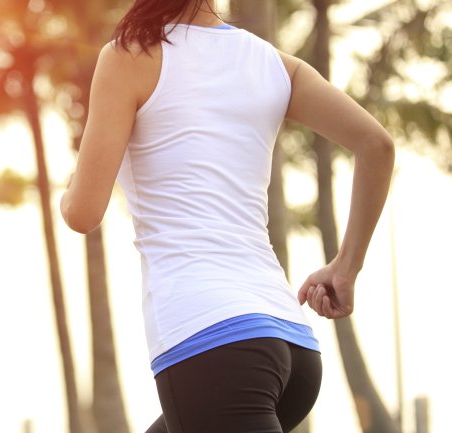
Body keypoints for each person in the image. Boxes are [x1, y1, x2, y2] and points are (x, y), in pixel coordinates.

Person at [59, 0, 395, 432]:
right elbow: (376, 145)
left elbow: (83, 212)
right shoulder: (274, 63)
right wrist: (346, 267)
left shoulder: (129, 56)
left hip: (213, 340)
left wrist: (73, 184)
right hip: (292, 346)